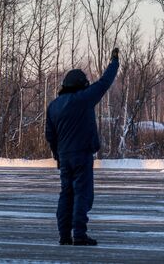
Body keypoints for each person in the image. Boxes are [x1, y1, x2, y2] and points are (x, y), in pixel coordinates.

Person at [46, 48, 119, 246]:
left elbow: (50, 136)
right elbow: (104, 82)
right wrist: (114, 62)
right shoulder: (83, 99)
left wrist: (58, 156)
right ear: (80, 85)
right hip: (81, 155)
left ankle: (64, 235)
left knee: (66, 194)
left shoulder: (53, 106)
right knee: (82, 194)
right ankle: (79, 234)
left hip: (64, 156)